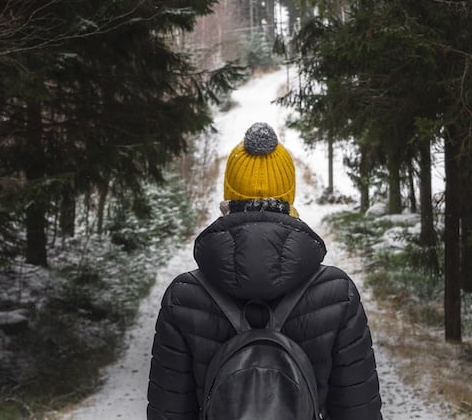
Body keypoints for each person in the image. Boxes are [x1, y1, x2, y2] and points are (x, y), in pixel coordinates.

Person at [147, 122, 383, 419]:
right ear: (289, 195)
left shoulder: (183, 297)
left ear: (229, 195)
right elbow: (359, 412)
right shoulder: (337, 294)